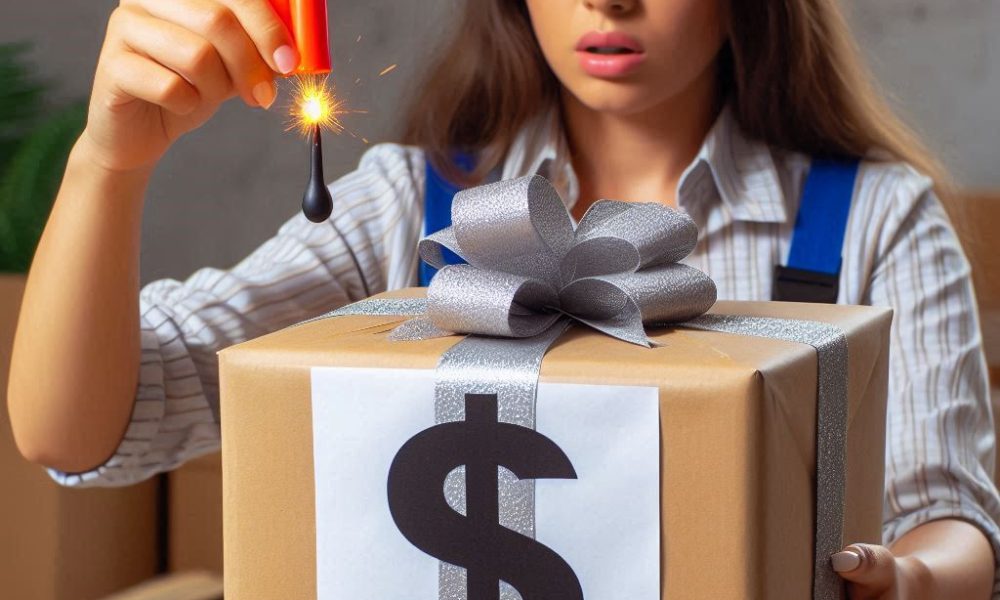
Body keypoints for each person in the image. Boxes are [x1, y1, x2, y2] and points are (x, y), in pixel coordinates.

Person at [7, 0, 998, 597]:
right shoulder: (407, 212)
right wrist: (109, 160)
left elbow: (953, 519)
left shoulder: (874, 217)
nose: (606, 1)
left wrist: (906, 577)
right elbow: (88, 428)